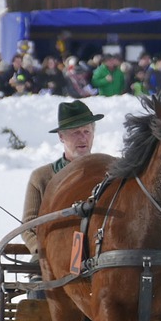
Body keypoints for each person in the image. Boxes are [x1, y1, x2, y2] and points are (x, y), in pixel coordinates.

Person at [21, 101, 105, 250]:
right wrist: (40, 252)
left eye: (87, 132)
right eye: (75, 133)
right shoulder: (41, 177)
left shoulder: (108, 172)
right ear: (61, 137)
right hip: (58, 254)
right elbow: (29, 226)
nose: (83, 138)